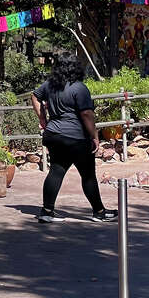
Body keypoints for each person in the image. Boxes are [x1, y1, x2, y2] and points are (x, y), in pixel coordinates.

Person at [31, 55, 117, 222]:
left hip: (53, 135)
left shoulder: (50, 86)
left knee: (56, 170)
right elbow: (86, 114)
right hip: (75, 138)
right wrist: (95, 136)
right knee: (88, 175)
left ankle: (47, 211)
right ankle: (99, 212)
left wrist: (42, 118)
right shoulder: (79, 88)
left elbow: (35, 96)